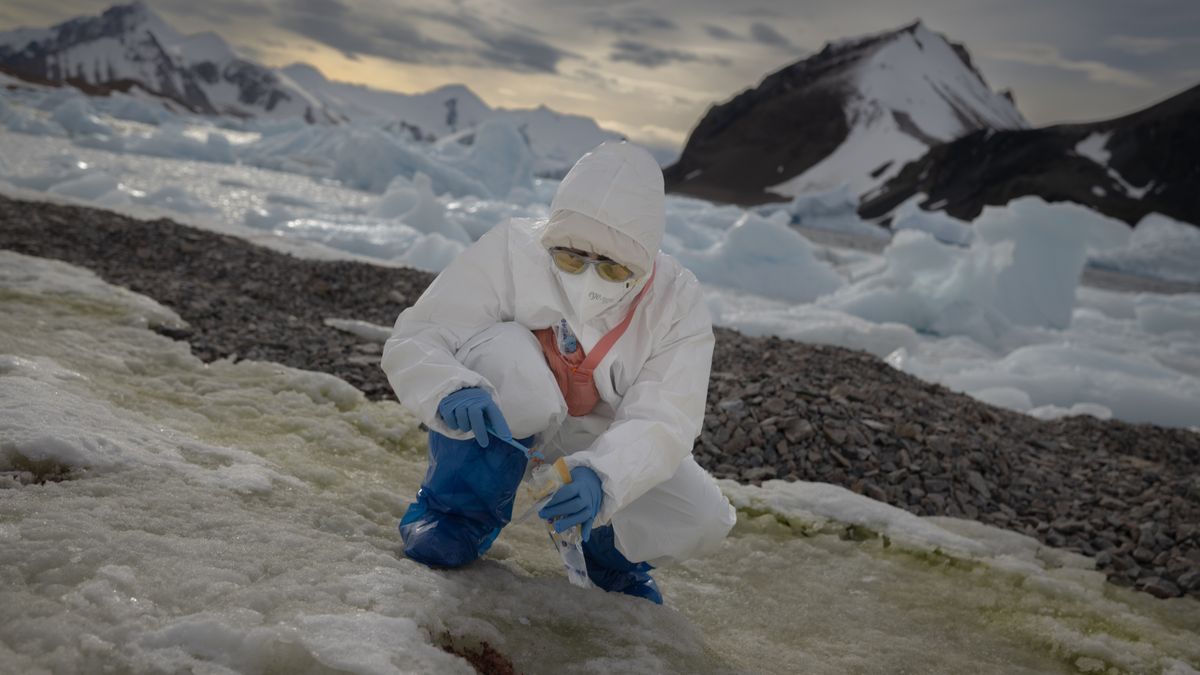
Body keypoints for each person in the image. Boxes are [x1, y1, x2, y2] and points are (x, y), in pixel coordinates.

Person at [381, 141, 736, 604]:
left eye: (611, 268)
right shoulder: (512, 251)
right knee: (506, 351)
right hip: (508, 409)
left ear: (644, 261)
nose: (588, 277)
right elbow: (423, 331)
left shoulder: (675, 303)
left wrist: (605, 477)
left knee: (701, 515)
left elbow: (666, 417)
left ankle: (604, 555)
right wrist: (450, 386)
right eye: (570, 258)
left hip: (599, 437)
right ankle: (455, 515)